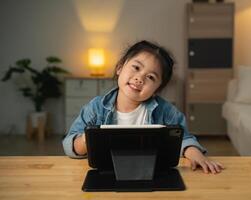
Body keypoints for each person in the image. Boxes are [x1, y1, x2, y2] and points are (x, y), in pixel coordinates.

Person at [62, 40, 224, 174]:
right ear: (119, 67)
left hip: (149, 172)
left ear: (156, 90)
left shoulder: (165, 111)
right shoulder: (96, 107)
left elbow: (183, 138)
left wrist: (195, 153)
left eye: (151, 77)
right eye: (136, 67)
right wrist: (87, 138)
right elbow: (69, 145)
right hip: (106, 172)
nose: (140, 78)